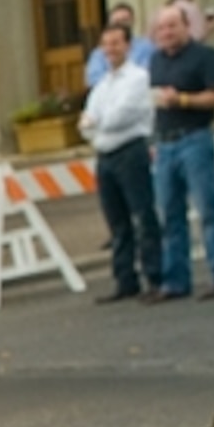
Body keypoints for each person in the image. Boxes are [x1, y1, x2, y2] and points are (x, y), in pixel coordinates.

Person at [146, 4, 214, 299]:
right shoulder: (155, 61)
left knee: (208, 210)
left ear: (187, 26)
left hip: (195, 138)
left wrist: (183, 100)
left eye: (172, 26)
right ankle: (175, 281)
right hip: (165, 142)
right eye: (161, 28)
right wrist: (152, 141)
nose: (167, 33)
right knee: (170, 214)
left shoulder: (204, 56)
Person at [81, 22, 164, 302]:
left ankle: (155, 276)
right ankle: (125, 279)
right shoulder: (102, 85)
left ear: (127, 45)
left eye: (116, 43)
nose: (110, 49)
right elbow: (84, 123)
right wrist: (95, 123)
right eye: (106, 44)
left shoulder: (138, 78)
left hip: (131, 152)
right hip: (105, 156)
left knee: (143, 215)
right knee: (117, 222)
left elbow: (123, 115)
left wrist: (97, 122)